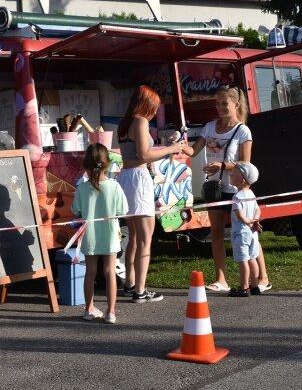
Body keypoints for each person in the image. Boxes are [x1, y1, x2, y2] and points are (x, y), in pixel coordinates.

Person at [186, 86, 272, 293]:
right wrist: (178, 145)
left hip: (237, 189)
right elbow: (193, 151)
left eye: (225, 103)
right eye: (217, 103)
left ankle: (263, 277)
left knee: (247, 232)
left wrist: (223, 166)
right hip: (215, 187)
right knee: (215, 233)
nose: (220, 107)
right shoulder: (208, 127)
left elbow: (246, 163)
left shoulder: (243, 130)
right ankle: (221, 279)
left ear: (236, 104)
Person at [116, 85, 188, 303]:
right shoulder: (141, 121)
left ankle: (130, 284)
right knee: (146, 238)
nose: (155, 111)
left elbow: (136, 153)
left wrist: (166, 147)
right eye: (154, 106)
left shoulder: (125, 122)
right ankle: (140, 290)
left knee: (134, 237)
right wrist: (171, 149)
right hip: (138, 179)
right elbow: (144, 154)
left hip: (126, 177)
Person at [71, 143, 129, 323]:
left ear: (86, 165)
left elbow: (75, 210)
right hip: (110, 234)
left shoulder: (82, 188)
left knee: (90, 272)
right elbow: (123, 210)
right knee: (110, 272)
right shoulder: (115, 186)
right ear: (108, 164)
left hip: (90, 236)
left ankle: (89, 309)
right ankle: (110, 312)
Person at [227, 162, 262, 297]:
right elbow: (258, 210)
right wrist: (254, 221)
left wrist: (247, 221)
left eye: (233, 174)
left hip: (241, 232)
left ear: (241, 181)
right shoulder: (251, 193)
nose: (230, 175)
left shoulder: (237, 197)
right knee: (253, 258)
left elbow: (239, 214)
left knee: (243, 260)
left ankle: (244, 288)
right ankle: (255, 286)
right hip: (252, 232)